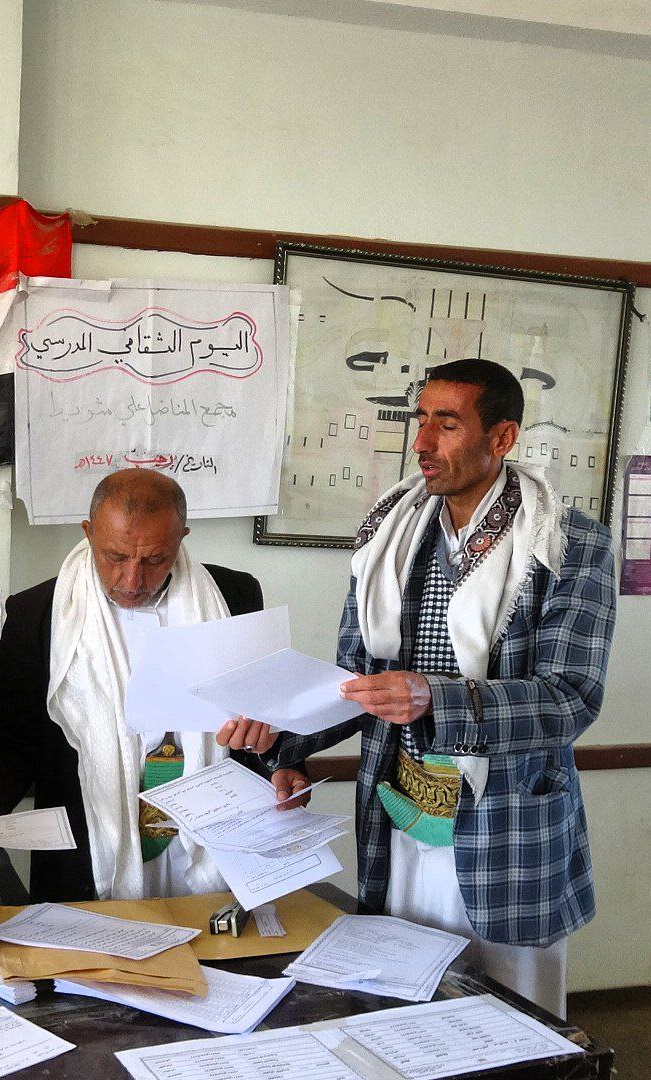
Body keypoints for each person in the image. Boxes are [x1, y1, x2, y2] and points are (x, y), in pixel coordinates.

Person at [268, 358, 618, 1018]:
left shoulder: (567, 544)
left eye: (448, 424)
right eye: (420, 420)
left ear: (502, 437)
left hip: (507, 824)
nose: (422, 442)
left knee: (512, 1020)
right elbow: (358, 680)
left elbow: (571, 697)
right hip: (402, 812)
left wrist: (436, 698)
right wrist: (285, 746)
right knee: (403, 1002)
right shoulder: (390, 535)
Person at [0, 470, 279, 901]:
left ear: (182, 538)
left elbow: (264, 710)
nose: (132, 580)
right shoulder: (38, 613)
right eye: (115, 556)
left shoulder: (234, 596)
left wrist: (275, 750)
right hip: (91, 847)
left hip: (206, 843)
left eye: (154, 560)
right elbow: (13, 737)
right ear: (89, 532)